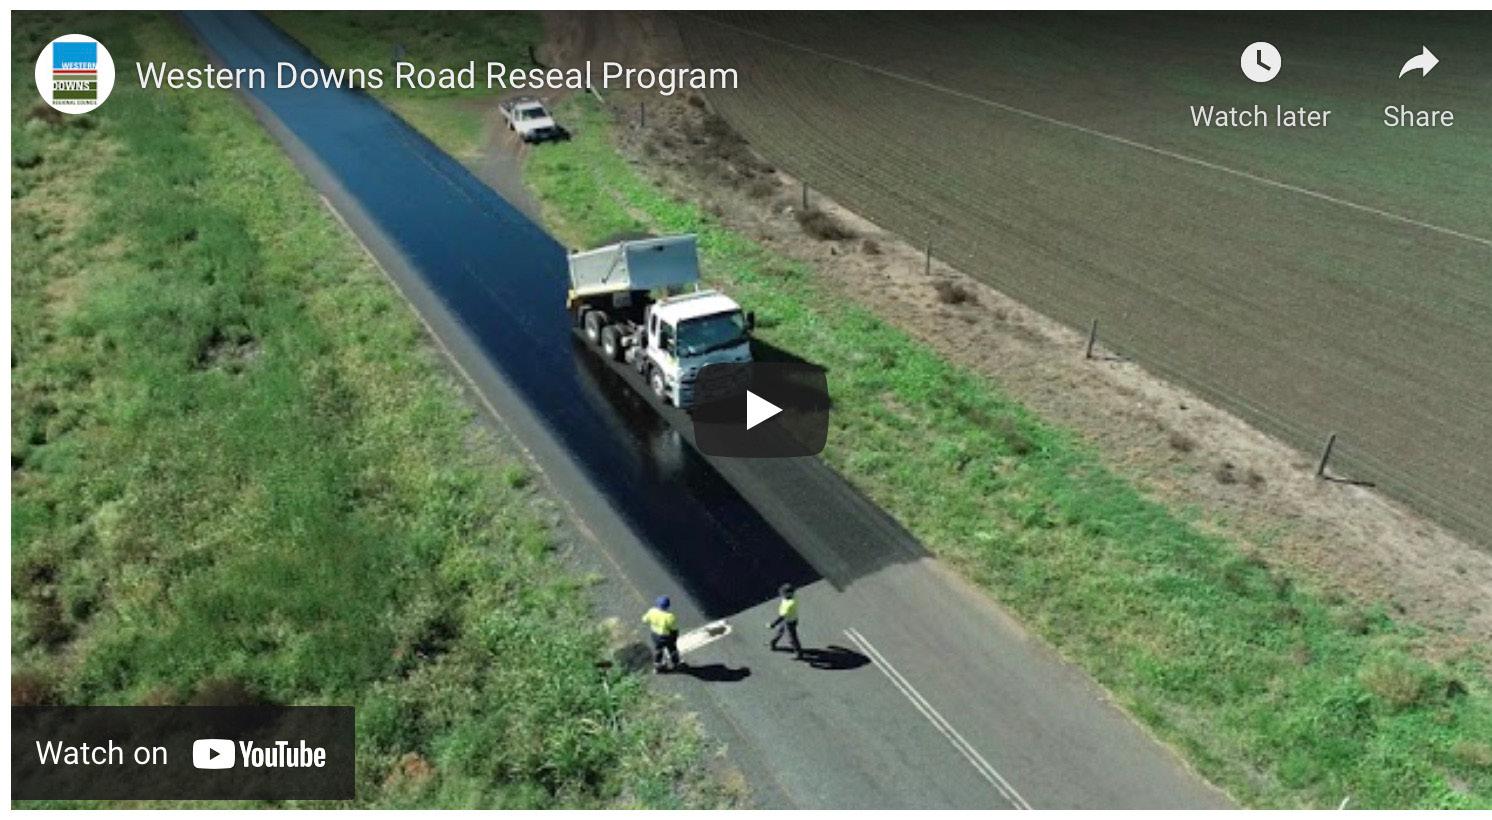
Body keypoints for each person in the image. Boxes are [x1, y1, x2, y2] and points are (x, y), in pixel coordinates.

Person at [642, 595, 681, 673]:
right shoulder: (669, 617)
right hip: (667, 636)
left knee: (658, 650)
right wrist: (675, 636)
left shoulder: (652, 611)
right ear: (667, 606)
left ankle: (657, 666)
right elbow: (674, 628)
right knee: (672, 649)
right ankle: (676, 663)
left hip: (655, 635)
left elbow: (644, 620)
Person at [767, 583, 802, 659]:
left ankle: (799, 653)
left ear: (789, 594)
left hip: (789, 622)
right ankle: (773, 643)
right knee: (780, 631)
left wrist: (773, 624)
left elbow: (782, 617)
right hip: (791, 619)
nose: (781, 595)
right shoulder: (793, 597)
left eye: (783, 594)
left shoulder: (789, 604)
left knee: (792, 638)